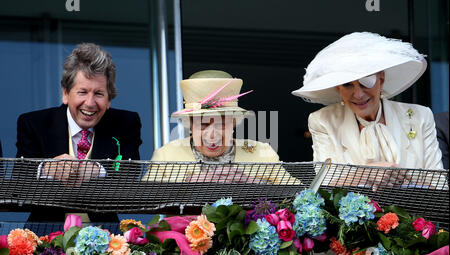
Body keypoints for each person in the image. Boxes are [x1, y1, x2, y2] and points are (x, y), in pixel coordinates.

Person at [291, 32, 443, 189]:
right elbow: (324, 186)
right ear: (338, 88)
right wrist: (367, 173)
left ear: (381, 79)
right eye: (347, 85)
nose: (358, 94)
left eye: (366, 82)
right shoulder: (323, 121)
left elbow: (440, 186)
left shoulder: (420, 116)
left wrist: (401, 180)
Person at [15, 43, 142, 222]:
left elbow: (130, 173)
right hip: (46, 236)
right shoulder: (34, 124)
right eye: (82, 92)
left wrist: (98, 169)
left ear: (109, 100)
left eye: (98, 94)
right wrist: (46, 168)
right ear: (65, 94)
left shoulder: (126, 123)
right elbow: (19, 178)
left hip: (107, 238)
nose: (90, 103)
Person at [142, 70, 298, 185]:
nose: (212, 135)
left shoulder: (261, 152)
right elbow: (145, 198)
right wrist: (185, 185)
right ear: (189, 125)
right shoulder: (166, 155)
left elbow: (298, 193)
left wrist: (251, 183)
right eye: (203, 125)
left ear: (234, 123)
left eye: (221, 125)